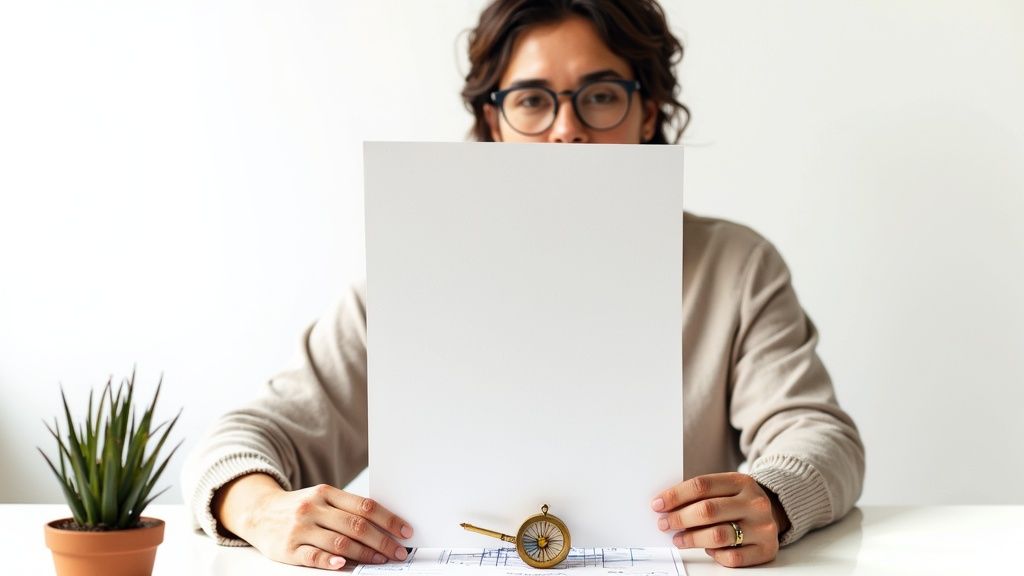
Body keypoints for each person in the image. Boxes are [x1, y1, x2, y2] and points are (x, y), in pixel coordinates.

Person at [182, 0, 865, 570]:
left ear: (648, 113)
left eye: (601, 96)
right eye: (533, 100)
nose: (567, 131)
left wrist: (771, 498)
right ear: (493, 122)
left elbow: (816, 435)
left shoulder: (734, 265)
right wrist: (262, 509)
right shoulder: (409, 273)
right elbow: (244, 437)